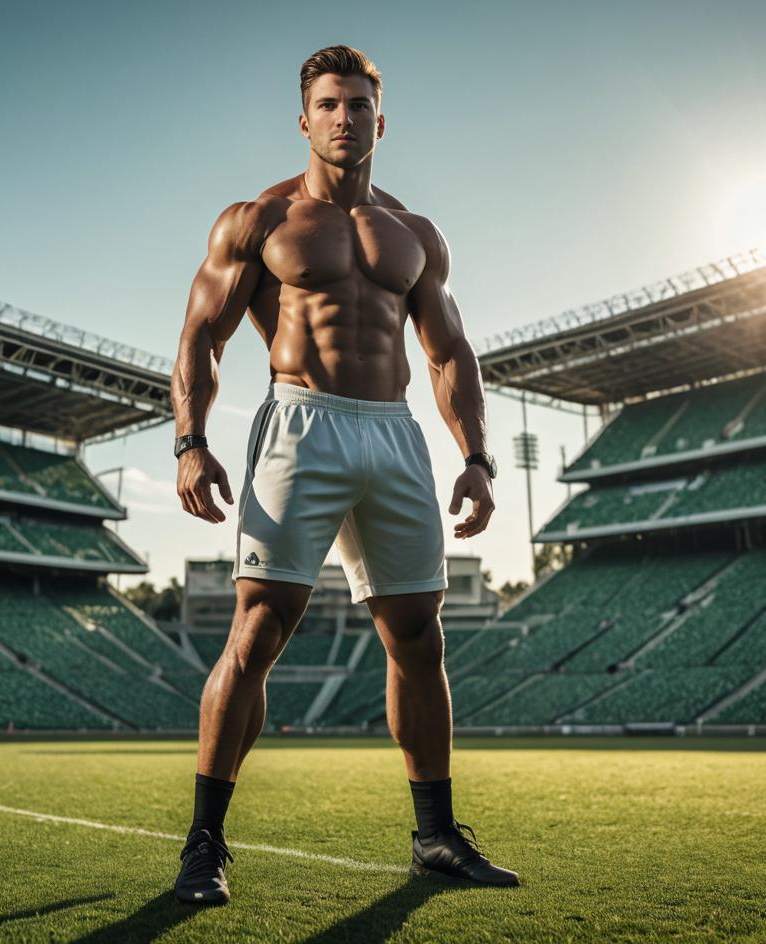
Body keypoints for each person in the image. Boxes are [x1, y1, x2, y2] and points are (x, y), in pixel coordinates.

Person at [170, 45, 519, 903]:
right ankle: (204, 844)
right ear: (304, 119)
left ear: (380, 119)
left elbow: (448, 354)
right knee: (259, 628)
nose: (344, 118)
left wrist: (474, 456)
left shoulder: (414, 235)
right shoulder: (258, 221)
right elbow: (200, 338)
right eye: (329, 104)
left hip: (395, 434)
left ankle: (436, 837)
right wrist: (190, 441)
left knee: (419, 635)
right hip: (301, 421)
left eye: (359, 105)